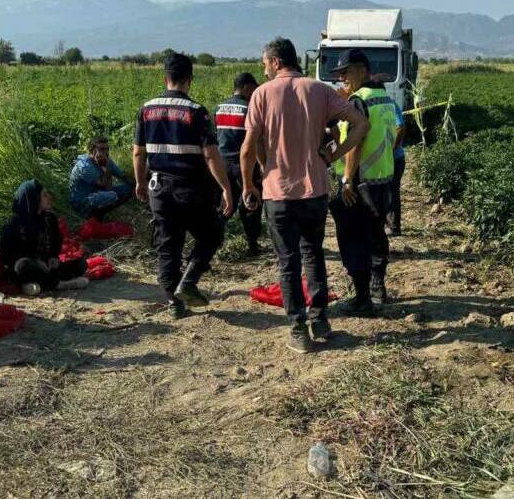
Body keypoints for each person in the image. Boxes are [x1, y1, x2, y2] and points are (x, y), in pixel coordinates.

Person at [241, 37, 368, 353]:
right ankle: (320, 318)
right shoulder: (320, 90)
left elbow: (247, 146)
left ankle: (298, 328)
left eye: (264, 64)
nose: (264, 69)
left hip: (277, 193)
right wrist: (332, 156)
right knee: (313, 253)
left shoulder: (262, 94)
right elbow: (360, 123)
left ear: (274, 62)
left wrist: (250, 182)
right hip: (314, 191)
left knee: (288, 261)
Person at [133, 53, 234, 319]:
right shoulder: (196, 112)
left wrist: (140, 182)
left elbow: (138, 153)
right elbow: (211, 155)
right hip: (190, 188)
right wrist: (225, 187)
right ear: (190, 79)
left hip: (158, 187)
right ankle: (188, 281)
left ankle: (173, 302)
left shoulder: (146, 109)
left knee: (168, 244)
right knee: (212, 233)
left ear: (165, 78)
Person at [328, 49, 398, 315]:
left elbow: (356, 144)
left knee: (353, 238)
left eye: (345, 72)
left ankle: (362, 297)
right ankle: (378, 287)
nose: (342, 78)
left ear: (361, 69)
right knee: (376, 234)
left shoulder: (359, 101)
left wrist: (346, 180)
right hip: (383, 178)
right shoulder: (383, 98)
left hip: (359, 182)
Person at [0, 180, 88, 296]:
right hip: (27, 266)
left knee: (81, 264)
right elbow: (7, 256)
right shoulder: (15, 224)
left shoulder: (49, 218)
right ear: (34, 198)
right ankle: (58, 284)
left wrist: (53, 257)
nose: (49, 198)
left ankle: (37, 284)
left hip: (46, 265)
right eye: (44, 195)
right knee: (23, 265)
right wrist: (36, 262)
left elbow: (56, 241)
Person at [215, 72, 263, 255]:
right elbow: (257, 142)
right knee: (251, 202)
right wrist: (262, 165)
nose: (254, 92)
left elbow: (213, 138)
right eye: (253, 88)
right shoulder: (250, 109)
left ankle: (214, 243)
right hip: (245, 164)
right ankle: (252, 245)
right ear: (245, 87)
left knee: (226, 204)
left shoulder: (218, 108)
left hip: (222, 164)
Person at [69, 137, 135, 219]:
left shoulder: (107, 160)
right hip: (82, 202)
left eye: (107, 149)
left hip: (99, 194)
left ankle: (100, 215)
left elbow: (122, 175)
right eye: (102, 149)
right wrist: (106, 168)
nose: (106, 152)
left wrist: (139, 183)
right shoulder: (85, 166)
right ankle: (88, 216)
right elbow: (105, 185)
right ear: (92, 151)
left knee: (128, 189)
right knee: (111, 195)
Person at [388, 100, 407, 236]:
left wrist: (391, 151)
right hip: (388, 159)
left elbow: (400, 127)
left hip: (394, 159)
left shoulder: (389, 105)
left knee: (391, 192)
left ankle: (394, 227)